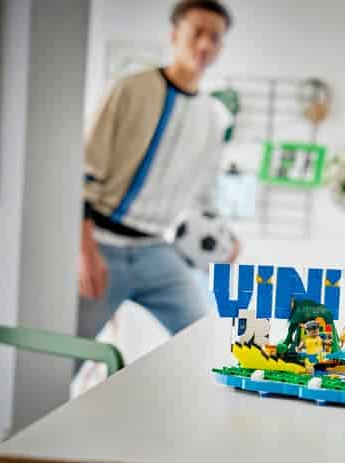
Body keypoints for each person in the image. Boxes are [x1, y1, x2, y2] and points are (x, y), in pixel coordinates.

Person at [78, 0, 238, 340]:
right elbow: (84, 171)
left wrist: (227, 240)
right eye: (196, 33)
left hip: (156, 250)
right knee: (66, 355)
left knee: (202, 341)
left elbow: (202, 198)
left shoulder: (213, 118)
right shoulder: (129, 89)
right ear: (174, 35)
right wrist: (84, 251)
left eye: (215, 38)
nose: (205, 45)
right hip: (101, 246)